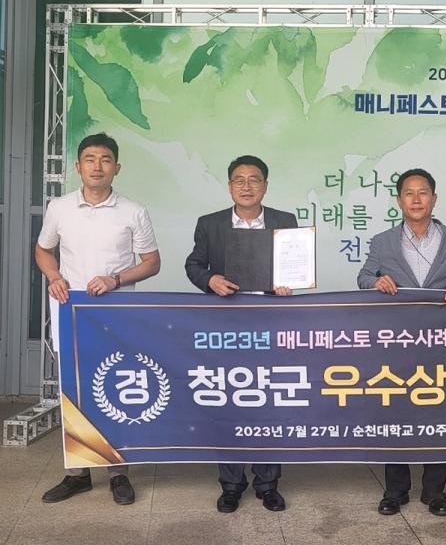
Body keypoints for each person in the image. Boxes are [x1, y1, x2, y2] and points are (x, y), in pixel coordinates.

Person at [36, 133, 161, 505]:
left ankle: (118, 474)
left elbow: (152, 262)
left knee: (114, 387)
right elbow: (43, 250)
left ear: (116, 168)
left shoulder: (134, 211)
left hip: (116, 314)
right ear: (78, 166)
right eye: (90, 159)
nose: (97, 166)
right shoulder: (59, 207)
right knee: (74, 389)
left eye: (105, 159)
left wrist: (115, 279)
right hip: (71, 311)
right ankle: (77, 474)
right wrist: (54, 276)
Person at [358, 168, 446, 517]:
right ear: (399, 200)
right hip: (397, 341)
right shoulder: (382, 241)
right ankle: (395, 491)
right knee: (395, 412)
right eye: (408, 193)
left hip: (441, 342)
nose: (416, 199)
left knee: (439, 412)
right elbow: (364, 276)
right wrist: (375, 282)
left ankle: (435, 492)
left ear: (433, 199)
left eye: (422, 192)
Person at [185, 154, 295, 513]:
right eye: (239, 180)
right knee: (228, 401)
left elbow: (294, 265)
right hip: (226, 326)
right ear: (230, 185)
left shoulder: (284, 221)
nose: (247, 186)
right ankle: (231, 485)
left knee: (268, 403)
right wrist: (210, 280)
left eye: (254, 179)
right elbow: (194, 264)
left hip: (270, 324)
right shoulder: (210, 224)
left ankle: (268, 484)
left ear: (266, 185)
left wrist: (288, 283)